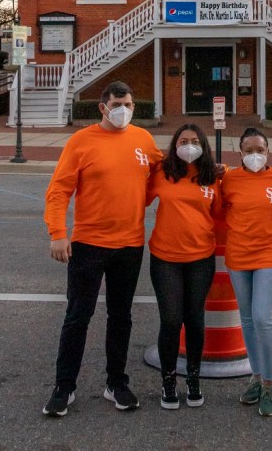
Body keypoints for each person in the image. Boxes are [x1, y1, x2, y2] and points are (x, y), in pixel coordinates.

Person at [42, 81, 162, 417]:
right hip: (88, 245)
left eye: (129, 103)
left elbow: (162, 175)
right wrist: (57, 233)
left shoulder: (144, 140)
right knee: (78, 317)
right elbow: (58, 191)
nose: (124, 109)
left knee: (121, 317)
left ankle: (116, 383)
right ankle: (64, 388)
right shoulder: (81, 142)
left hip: (130, 245)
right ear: (103, 107)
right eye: (118, 103)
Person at [147, 123, 220, 410]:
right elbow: (138, 197)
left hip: (201, 258)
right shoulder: (163, 173)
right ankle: (168, 380)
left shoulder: (211, 177)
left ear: (203, 145)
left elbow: (221, 214)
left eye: (194, 140)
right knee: (170, 320)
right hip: (165, 258)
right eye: (183, 140)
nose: (188, 145)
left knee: (195, 320)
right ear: (174, 146)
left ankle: (193, 378)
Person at [219, 126, 272, 418]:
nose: (255, 155)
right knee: (247, 319)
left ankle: (270, 382)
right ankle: (256, 376)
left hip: (268, 254)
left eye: (260, 150)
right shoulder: (230, 179)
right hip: (238, 254)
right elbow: (216, 209)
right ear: (240, 154)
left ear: (268, 151)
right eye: (248, 151)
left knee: (262, 317)